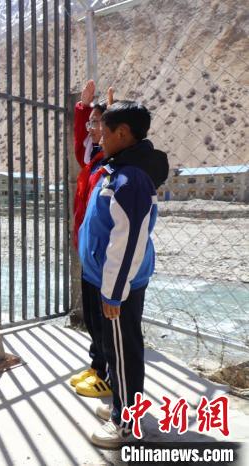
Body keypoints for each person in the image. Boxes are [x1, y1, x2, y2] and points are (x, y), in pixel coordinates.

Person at [78, 101, 169, 448]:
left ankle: (125, 424)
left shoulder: (130, 180)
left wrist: (114, 293)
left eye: (104, 131)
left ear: (123, 133)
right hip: (111, 280)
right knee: (116, 348)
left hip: (119, 285)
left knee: (123, 351)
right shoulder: (118, 170)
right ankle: (123, 403)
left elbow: (128, 242)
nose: (98, 137)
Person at [69, 80, 114, 399]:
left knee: (103, 314)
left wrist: (111, 112)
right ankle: (97, 365)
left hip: (104, 252)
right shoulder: (94, 160)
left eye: (97, 123)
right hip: (90, 250)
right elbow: (80, 144)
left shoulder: (112, 164)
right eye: (91, 123)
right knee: (91, 313)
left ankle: (107, 373)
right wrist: (83, 108)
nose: (91, 129)